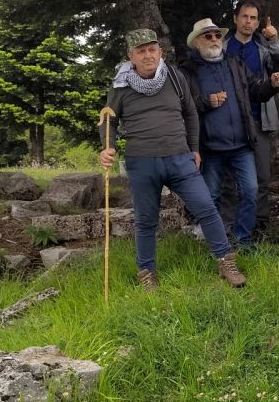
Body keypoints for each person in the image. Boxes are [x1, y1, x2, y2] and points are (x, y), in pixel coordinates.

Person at [99, 28, 248, 290]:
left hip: (180, 158)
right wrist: (107, 147)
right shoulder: (120, 86)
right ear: (131, 56)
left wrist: (194, 148)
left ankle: (225, 260)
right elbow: (108, 119)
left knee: (206, 208)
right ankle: (146, 272)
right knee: (145, 220)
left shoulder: (175, 78)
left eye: (152, 49)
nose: (148, 55)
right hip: (142, 162)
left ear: (160, 52)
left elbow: (191, 114)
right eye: (141, 51)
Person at [178, 17, 279, 251]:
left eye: (217, 35)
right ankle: (217, 245)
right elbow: (182, 106)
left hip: (241, 144)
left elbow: (256, 90)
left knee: (250, 191)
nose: (215, 39)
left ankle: (243, 239)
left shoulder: (234, 63)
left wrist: (271, 84)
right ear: (197, 42)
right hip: (210, 147)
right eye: (209, 36)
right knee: (212, 197)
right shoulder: (187, 71)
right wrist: (206, 101)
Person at [223, 0, 279, 237]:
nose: (248, 22)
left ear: (258, 22)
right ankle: (228, 226)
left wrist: (274, 39)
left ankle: (259, 225)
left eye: (253, 18)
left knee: (262, 176)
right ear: (235, 18)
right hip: (228, 121)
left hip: (259, 117)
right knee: (228, 178)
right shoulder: (221, 46)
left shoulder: (263, 46)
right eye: (244, 16)